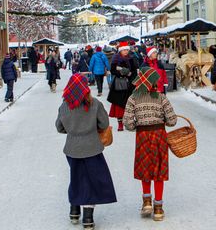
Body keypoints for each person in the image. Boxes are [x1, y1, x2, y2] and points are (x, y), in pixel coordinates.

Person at [56, 73, 117, 229]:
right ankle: (88, 218)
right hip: (92, 148)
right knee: (91, 180)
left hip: (72, 149)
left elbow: (59, 127)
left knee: (76, 177)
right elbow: (104, 124)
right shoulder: (94, 104)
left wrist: (73, 130)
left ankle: (74, 210)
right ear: (85, 88)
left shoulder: (64, 106)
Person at [123, 67, 177, 222]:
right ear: (153, 82)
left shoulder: (133, 98)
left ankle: (147, 202)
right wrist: (164, 122)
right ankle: (158, 208)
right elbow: (172, 120)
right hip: (159, 135)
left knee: (144, 167)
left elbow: (127, 122)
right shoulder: (161, 98)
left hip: (142, 136)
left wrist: (135, 126)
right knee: (159, 170)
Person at [107, 42, 138, 132]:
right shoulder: (116, 58)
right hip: (119, 84)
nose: (126, 51)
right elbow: (112, 70)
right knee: (118, 105)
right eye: (124, 50)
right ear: (120, 50)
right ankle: (120, 124)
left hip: (129, 85)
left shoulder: (131, 58)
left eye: (127, 50)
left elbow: (135, 70)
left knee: (130, 104)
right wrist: (121, 73)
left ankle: (130, 122)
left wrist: (130, 74)